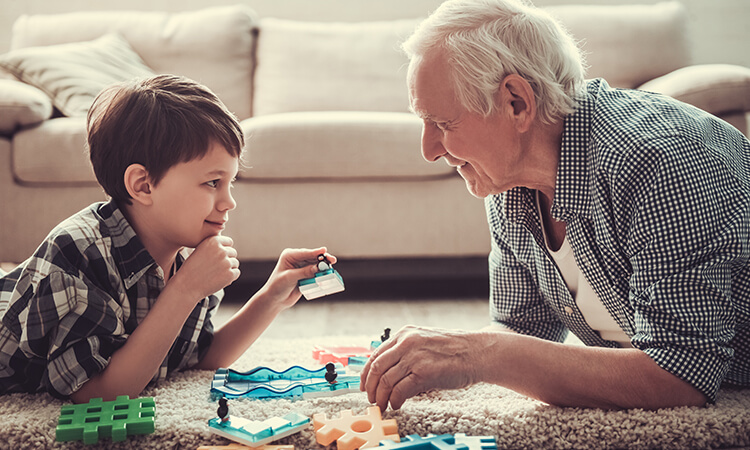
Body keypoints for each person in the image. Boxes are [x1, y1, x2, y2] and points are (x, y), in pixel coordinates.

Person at [361, 0, 750, 411]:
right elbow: (521, 331)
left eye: (442, 123)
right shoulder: (507, 183)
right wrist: (442, 358)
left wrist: (477, 353)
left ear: (517, 103)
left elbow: (681, 376)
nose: (428, 150)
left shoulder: (659, 160)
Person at [0, 74, 336, 403]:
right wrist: (184, 290)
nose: (229, 201)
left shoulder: (186, 253)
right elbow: (97, 393)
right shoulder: (78, 252)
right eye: (212, 182)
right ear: (143, 185)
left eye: (230, 182)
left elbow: (199, 358)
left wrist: (271, 297)